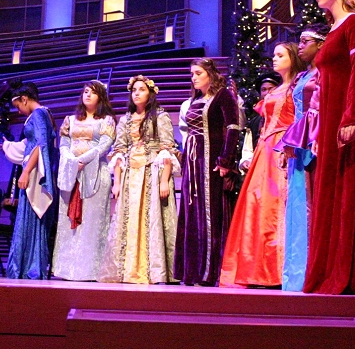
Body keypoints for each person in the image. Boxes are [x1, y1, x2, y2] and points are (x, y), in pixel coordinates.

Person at [303, 0, 355, 295]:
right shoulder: (333, 28)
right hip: (330, 122)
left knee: (348, 193)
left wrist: (353, 117)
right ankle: (326, 271)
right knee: (329, 195)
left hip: (346, 120)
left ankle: (348, 273)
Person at [220, 42, 305, 288]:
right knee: (257, 204)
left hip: (282, 145)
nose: (275, 59)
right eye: (274, 55)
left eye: (281, 55)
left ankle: (276, 270)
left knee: (276, 205)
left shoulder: (297, 87)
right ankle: (256, 267)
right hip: (264, 150)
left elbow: (299, 119)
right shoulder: (278, 90)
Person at [98, 76, 179, 284]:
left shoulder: (160, 117)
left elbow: (167, 148)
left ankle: (156, 271)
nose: (136, 93)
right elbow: (119, 150)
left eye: (141, 90)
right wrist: (116, 182)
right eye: (134, 90)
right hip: (130, 176)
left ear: (150, 93)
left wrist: (163, 180)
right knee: (129, 221)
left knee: (152, 221)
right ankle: (128, 270)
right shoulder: (125, 119)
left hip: (152, 172)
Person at [175, 58, 242, 286]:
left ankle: (209, 272)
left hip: (210, 161)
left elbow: (233, 127)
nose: (193, 77)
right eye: (192, 74)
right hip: (192, 163)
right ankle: (191, 271)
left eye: (198, 73)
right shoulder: (195, 99)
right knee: (191, 214)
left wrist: (225, 160)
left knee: (210, 214)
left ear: (210, 74)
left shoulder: (223, 95)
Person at [280, 24, 329, 291]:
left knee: (312, 205)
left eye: (305, 41)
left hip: (313, 142)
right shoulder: (302, 76)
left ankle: (312, 273)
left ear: (321, 44)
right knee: (297, 206)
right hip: (297, 145)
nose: (300, 45)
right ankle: (295, 275)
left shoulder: (324, 73)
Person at [52, 80, 116, 281]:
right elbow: (63, 143)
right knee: (68, 221)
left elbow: (104, 145)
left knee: (92, 221)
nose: (87, 95)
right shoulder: (70, 120)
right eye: (85, 91)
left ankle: (89, 270)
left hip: (96, 172)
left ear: (101, 98)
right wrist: (71, 160)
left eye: (93, 92)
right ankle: (67, 269)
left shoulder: (106, 121)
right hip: (72, 174)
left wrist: (83, 160)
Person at [3, 82, 59, 280]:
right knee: (31, 219)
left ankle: (30, 267)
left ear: (24, 99)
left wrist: (26, 171)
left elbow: (41, 144)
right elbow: (32, 144)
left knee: (32, 218)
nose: (18, 110)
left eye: (18, 106)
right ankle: (29, 265)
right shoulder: (44, 114)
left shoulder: (38, 114)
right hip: (35, 169)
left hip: (35, 173)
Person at [239, 72, 281, 172]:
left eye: (271, 89)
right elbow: (248, 149)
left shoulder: (284, 116)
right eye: (263, 90)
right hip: (260, 170)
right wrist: (246, 161)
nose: (267, 93)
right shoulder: (255, 122)